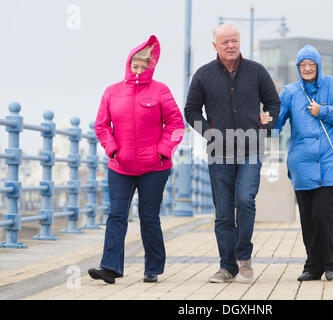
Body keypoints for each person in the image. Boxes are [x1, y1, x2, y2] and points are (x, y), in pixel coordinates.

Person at [184, 24, 280, 283]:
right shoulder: (204, 75)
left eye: (234, 41)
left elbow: (273, 102)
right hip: (218, 152)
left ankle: (244, 256)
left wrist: (266, 127)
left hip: (251, 147)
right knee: (224, 211)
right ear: (215, 45)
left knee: (246, 199)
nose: (231, 45)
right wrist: (209, 132)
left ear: (240, 43)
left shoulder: (256, 71)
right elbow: (191, 110)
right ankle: (228, 267)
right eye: (225, 42)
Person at [89, 35, 185, 284]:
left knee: (149, 216)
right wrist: (113, 150)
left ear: (151, 66)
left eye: (145, 66)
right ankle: (109, 268)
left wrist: (162, 151)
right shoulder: (112, 92)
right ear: (128, 65)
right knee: (117, 214)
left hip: (155, 167)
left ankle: (153, 268)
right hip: (120, 166)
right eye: (135, 65)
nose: (139, 70)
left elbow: (175, 125)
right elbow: (101, 126)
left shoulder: (160, 90)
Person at [275, 45, 333, 281]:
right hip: (301, 164)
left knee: (323, 214)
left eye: (311, 64)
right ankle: (313, 266)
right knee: (308, 218)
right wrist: (266, 120)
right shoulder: (290, 92)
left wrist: (324, 111)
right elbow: (276, 125)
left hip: (329, 163)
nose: (307, 68)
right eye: (303, 65)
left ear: (318, 66)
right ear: (298, 68)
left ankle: (331, 263)